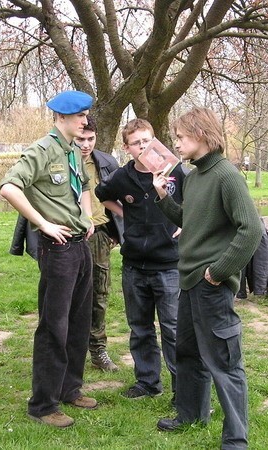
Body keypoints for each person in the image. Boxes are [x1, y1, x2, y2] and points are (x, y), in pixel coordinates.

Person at [152, 107, 263, 449]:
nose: (177, 144)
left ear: (200, 135)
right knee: (187, 353)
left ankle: (236, 439)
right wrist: (162, 196)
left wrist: (220, 271)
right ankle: (191, 414)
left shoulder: (226, 175)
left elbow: (252, 229)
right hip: (189, 282)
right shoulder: (196, 175)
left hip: (210, 284)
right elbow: (190, 219)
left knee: (224, 363)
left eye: (181, 138)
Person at [0, 90, 97, 429]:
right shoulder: (41, 151)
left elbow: (84, 187)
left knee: (79, 321)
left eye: (85, 116)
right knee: (53, 327)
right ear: (61, 118)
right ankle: (43, 404)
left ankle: (70, 388)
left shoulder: (73, 150)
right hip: (56, 248)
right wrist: (42, 223)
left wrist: (87, 219)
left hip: (78, 244)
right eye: (80, 116)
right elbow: (9, 187)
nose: (85, 121)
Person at [95, 118, 188, 401]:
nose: (143, 146)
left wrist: (186, 221)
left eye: (147, 140)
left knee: (172, 329)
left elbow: (196, 200)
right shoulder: (123, 177)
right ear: (127, 148)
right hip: (135, 265)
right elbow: (101, 194)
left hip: (169, 265)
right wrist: (123, 211)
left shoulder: (175, 172)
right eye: (136, 143)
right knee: (140, 328)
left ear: (155, 140)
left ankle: (182, 388)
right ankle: (147, 382)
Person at [75, 114, 123, 372]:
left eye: (91, 138)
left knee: (99, 294)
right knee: (69, 294)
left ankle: (98, 349)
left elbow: (118, 198)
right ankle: (71, 349)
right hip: (69, 236)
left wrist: (116, 232)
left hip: (100, 236)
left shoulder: (106, 162)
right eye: (81, 138)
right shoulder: (61, 161)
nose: (86, 144)